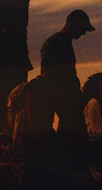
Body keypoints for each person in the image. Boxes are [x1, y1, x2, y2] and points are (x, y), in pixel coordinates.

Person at [39, 10, 95, 138]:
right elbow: (47, 74)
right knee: (72, 133)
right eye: (82, 29)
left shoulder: (63, 43)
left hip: (68, 100)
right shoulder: (55, 43)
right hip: (63, 100)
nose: (84, 33)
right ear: (71, 24)